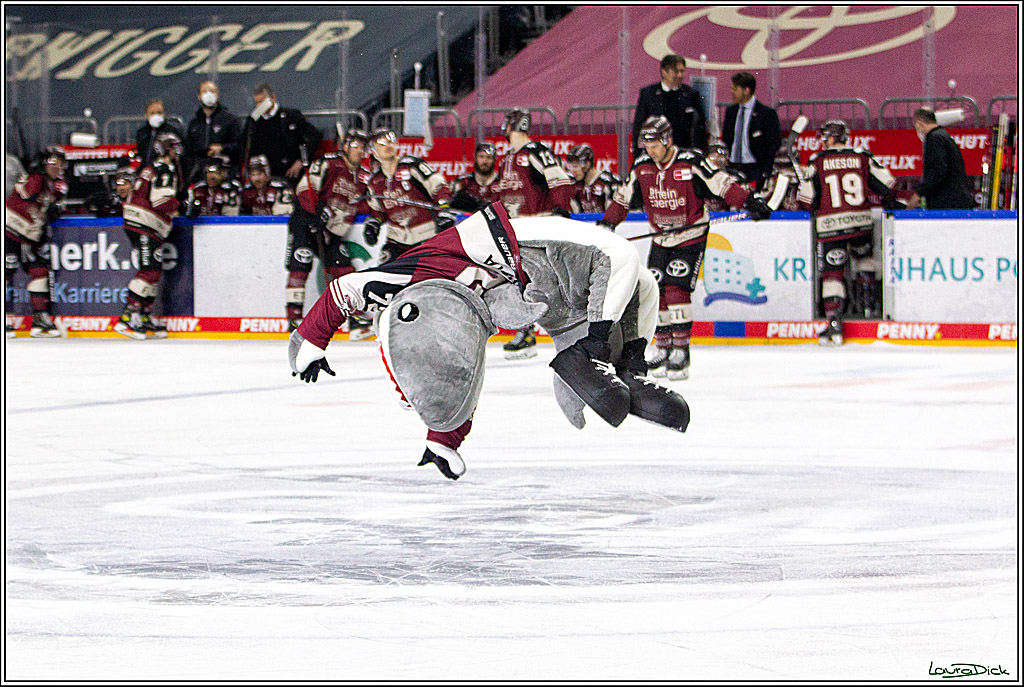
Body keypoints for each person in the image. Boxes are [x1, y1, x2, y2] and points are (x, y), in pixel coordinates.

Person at [288, 203, 690, 480]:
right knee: (622, 258)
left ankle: (627, 368)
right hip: (527, 267)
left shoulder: (425, 272)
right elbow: (458, 369)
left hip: (524, 251)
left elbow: (350, 290)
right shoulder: (434, 291)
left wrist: (311, 339)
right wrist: (310, 340)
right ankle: (592, 352)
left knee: (639, 279)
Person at [599, 116, 773, 380]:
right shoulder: (642, 166)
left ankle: (681, 349)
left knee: (676, 288)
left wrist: (750, 201)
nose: (650, 150)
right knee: (655, 290)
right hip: (661, 238)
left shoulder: (691, 162)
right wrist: (608, 223)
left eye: (655, 144)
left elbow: (722, 184)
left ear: (668, 140)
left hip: (691, 235)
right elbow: (622, 199)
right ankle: (664, 345)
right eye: (646, 145)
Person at [795, 120, 898, 346]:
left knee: (833, 275)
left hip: (830, 227)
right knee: (865, 263)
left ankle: (834, 324)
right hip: (861, 222)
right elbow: (888, 184)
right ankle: (869, 311)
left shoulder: (817, 161)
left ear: (831, 138)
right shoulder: (863, 156)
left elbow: (806, 201)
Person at [494, 107, 575, 358]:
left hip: (536, 225)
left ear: (510, 127)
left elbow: (559, 179)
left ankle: (564, 331)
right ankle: (526, 332)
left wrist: (561, 209)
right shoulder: (507, 158)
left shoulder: (535, 152)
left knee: (539, 281)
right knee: (518, 280)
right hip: (515, 227)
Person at [285, 128, 372, 333]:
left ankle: (353, 318)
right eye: (355, 145)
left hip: (331, 231)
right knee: (300, 267)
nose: (360, 151)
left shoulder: (365, 177)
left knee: (344, 271)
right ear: (345, 146)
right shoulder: (327, 163)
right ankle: (293, 319)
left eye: (363, 147)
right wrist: (317, 209)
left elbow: (368, 204)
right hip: (306, 222)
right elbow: (305, 189)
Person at [115, 131, 183, 340]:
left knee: (153, 270)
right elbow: (161, 202)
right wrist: (182, 203)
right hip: (145, 223)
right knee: (149, 270)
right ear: (168, 150)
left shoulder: (151, 168)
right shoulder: (164, 170)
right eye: (174, 148)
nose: (177, 152)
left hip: (141, 222)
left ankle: (143, 316)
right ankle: (128, 316)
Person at [363, 126, 455, 266]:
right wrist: (373, 224)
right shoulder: (375, 182)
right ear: (374, 152)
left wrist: (445, 211)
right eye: (381, 143)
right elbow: (378, 211)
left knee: (428, 278)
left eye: (390, 141)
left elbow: (439, 187)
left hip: (426, 236)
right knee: (386, 276)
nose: (387, 145)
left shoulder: (412, 166)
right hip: (397, 241)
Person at [4, 147, 68, 338]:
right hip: (10, 230)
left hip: (30, 235)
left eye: (60, 163)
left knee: (39, 271)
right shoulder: (35, 178)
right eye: (53, 162)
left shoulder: (54, 185)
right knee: (7, 270)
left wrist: (55, 210)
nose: (57, 166)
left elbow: (55, 208)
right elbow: (28, 197)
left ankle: (40, 317)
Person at [240, 82, 322, 183]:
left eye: (262, 102)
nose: (259, 106)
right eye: (257, 103)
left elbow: (314, 136)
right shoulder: (253, 121)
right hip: (265, 175)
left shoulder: (291, 116)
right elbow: (244, 145)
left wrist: (301, 161)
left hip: (290, 171)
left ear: (272, 98)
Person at [632, 54, 708, 159]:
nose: (680, 75)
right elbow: (639, 124)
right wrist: (638, 152)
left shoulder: (691, 94)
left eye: (682, 71)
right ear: (664, 72)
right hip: (657, 154)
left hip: (683, 152)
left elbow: (700, 126)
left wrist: (696, 151)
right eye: (676, 71)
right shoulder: (648, 94)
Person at [721, 72, 782, 191]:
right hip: (733, 168)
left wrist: (765, 171)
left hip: (754, 170)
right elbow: (727, 139)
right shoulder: (730, 112)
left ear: (746, 90)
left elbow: (774, 144)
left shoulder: (766, 114)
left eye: (735, 89)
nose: (731, 92)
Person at [906, 107, 975, 210]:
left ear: (919, 123)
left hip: (947, 202)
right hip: (957, 198)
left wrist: (919, 194)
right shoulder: (943, 135)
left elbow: (937, 171)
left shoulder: (934, 139)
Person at [183, 80, 242, 185]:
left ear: (217, 95)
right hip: (200, 177)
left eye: (212, 91)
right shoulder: (194, 124)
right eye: (205, 92)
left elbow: (239, 146)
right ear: (199, 96)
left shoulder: (230, 120)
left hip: (224, 175)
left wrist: (222, 148)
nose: (208, 95)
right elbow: (188, 152)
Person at [566, 143, 621, 214]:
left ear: (587, 164)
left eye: (576, 166)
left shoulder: (609, 183)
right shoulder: (574, 185)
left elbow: (615, 214)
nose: (572, 171)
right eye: (570, 167)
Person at [448, 142, 501, 212]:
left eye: (489, 157)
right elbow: (447, 205)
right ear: (475, 158)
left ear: (494, 160)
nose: (485, 161)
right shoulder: (463, 182)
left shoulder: (502, 181)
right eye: (481, 157)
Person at [134, 98, 185, 170]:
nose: (156, 116)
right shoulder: (142, 133)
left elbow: (181, 153)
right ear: (146, 114)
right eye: (152, 113)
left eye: (159, 113)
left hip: (167, 169)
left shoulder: (172, 132)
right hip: (146, 169)